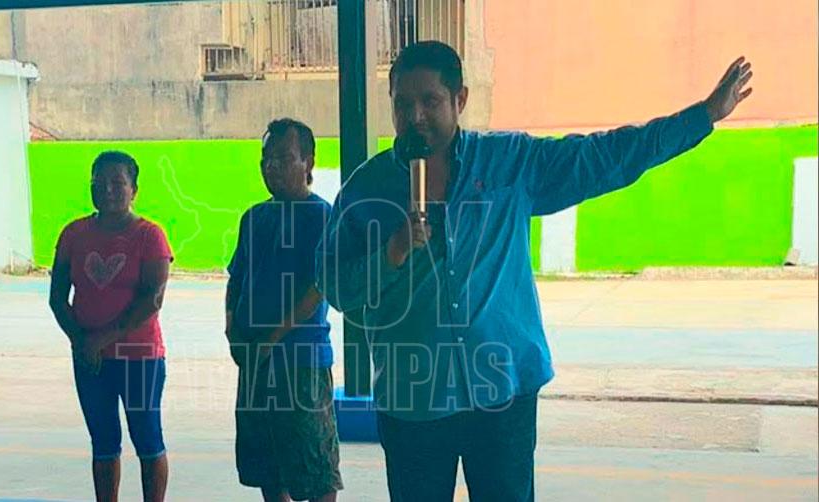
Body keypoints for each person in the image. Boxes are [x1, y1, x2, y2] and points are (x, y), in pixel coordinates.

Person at [318, 41, 753, 501]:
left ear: (460, 99)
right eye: (403, 104)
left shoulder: (509, 163)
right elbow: (335, 286)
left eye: (430, 101)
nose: (415, 116)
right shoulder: (365, 189)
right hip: (414, 401)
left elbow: (606, 156)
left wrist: (703, 116)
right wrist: (391, 254)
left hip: (503, 395)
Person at [226, 118, 343, 502]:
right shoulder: (254, 217)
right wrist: (232, 329)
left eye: (283, 157)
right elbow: (237, 278)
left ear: (308, 162)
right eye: (266, 158)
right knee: (266, 465)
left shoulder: (321, 216)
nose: (271, 166)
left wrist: (272, 337)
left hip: (300, 361)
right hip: (254, 360)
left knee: (315, 467)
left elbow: (318, 287)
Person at [49, 151, 173, 502]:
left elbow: (152, 299)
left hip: (140, 358)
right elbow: (57, 297)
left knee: (147, 438)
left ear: (134, 189)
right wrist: (81, 341)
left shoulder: (150, 235)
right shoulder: (73, 233)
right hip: (90, 358)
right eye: (98, 183)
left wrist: (101, 339)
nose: (107, 190)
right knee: (103, 442)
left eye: (117, 183)